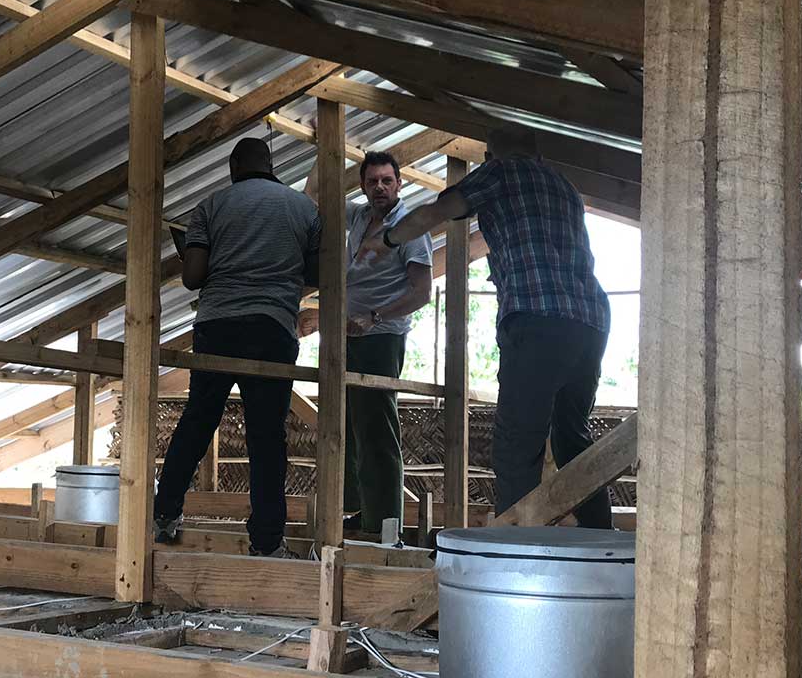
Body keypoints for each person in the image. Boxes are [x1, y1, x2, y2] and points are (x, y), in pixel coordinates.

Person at [359, 125, 612, 528]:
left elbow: (435, 212)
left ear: (491, 156)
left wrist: (385, 240)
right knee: (572, 438)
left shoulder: (501, 173)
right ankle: (603, 541)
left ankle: (515, 558)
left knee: (517, 446)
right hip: (591, 321)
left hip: (538, 316)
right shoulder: (563, 185)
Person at [153, 137, 321, 558]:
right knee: (267, 437)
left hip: (217, 326)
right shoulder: (303, 208)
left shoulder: (209, 206)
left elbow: (193, 277)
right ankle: (266, 543)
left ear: (233, 168)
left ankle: (164, 515)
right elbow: (317, 272)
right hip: (272, 329)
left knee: (198, 419)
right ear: (270, 165)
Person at [300, 151, 432, 535]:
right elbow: (312, 194)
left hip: (381, 338)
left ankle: (385, 524)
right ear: (362, 185)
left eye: (386, 181)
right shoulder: (358, 216)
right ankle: (359, 509)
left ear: (399, 184)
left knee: (376, 429)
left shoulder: (409, 226)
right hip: (347, 335)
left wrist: (375, 316)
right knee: (349, 425)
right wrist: (322, 144)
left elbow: (421, 292)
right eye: (372, 181)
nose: (380, 187)